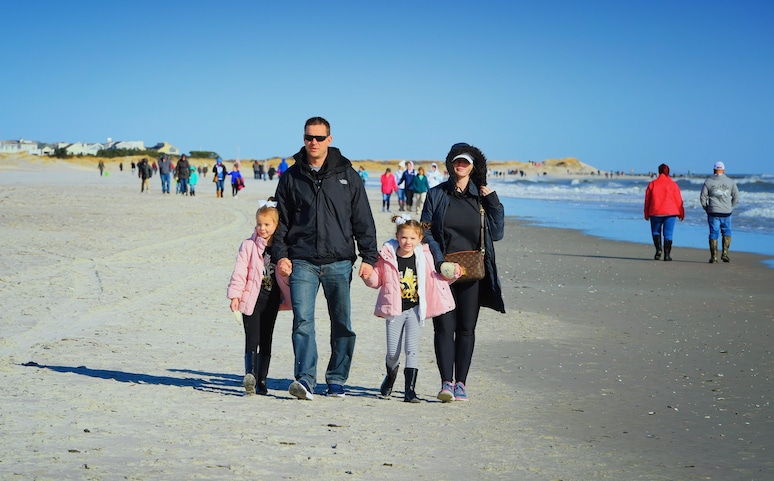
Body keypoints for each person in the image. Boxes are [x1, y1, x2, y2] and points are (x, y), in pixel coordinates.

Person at [273, 116, 378, 400]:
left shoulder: (348, 175)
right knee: (303, 322)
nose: (313, 143)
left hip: (339, 262)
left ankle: (336, 379)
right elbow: (280, 222)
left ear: (329, 140)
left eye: (319, 138)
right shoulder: (291, 177)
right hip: (302, 261)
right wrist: (280, 255)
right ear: (303, 138)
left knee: (341, 323)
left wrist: (369, 256)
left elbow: (363, 219)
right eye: (309, 137)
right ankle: (306, 379)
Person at [421, 142, 505, 402]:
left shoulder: (480, 197)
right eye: (457, 161)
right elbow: (426, 230)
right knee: (444, 328)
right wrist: (439, 262)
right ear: (450, 164)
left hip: (473, 273)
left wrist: (493, 202)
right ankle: (446, 382)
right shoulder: (436, 194)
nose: (461, 165)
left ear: (473, 166)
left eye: (466, 162)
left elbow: (498, 233)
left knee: (466, 329)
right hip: (442, 273)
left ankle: (461, 384)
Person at [363, 215, 456, 402]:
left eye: (413, 238)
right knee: (393, 352)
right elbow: (377, 280)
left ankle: (410, 390)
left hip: (415, 309)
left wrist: (454, 272)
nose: (408, 242)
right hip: (394, 310)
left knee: (411, 350)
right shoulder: (387, 256)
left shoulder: (425, 257)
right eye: (404, 237)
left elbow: (438, 278)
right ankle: (391, 375)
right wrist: (367, 276)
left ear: (420, 239)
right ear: (397, 236)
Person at [228, 199, 291, 395]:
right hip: (251, 299)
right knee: (252, 337)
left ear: (276, 225)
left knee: (266, 339)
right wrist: (235, 296)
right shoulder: (248, 246)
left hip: (272, 301)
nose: (262, 228)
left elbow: (288, 274)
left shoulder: (281, 249)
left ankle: (262, 380)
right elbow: (239, 272)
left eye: (267, 224)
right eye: (259, 224)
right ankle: (250, 376)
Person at [643, 163, 685, 261]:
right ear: (668, 172)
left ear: (659, 171)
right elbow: (678, 200)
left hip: (655, 211)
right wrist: (681, 212)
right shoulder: (673, 185)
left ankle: (658, 249)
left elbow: (647, 200)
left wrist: (646, 213)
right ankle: (667, 255)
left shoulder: (652, 184)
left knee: (655, 231)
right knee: (668, 233)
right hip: (670, 212)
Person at [700, 161, 740, 263]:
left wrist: (706, 208)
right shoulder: (730, 182)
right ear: (724, 170)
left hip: (713, 211)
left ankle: (714, 257)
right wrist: (731, 207)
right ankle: (725, 254)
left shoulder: (708, 181)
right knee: (726, 231)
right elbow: (736, 196)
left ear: (714, 170)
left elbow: (702, 197)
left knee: (714, 232)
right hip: (726, 211)